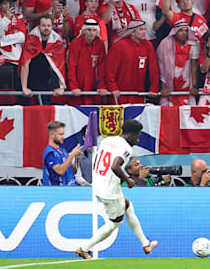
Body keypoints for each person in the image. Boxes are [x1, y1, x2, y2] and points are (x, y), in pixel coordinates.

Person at [76, 119, 157, 259]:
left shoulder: (108, 140)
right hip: (109, 190)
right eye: (138, 136)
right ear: (131, 134)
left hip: (99, 184)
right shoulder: (126, 148)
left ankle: (146, 244)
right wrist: (128, 180)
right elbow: (115, 166)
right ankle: (84, 248)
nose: (138, 140)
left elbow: (98, 161)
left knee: (127, 206)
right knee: (115, 222)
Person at [104, 20, 159, 104]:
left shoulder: (148, 45)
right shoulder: (119, 45)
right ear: (132, 32)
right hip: (120, 94)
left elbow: (153, 68)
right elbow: (109, 69)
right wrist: (113, 88)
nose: (144, 32)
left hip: (138, 94)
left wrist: (154, 87)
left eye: (145, 29)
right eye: (141, 29)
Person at [20, 15, 68, 105]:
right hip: (27, 77)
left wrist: (61, 87)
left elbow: (60, 66)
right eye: (43, 26)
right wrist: (24, 87)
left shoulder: (56, 41)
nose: (46, 28)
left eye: (49, 26)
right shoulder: (31, 39)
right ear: (38, 26)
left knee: (44, 108)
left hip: (44, 79)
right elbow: (25, 63)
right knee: (24, 109)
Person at [43, 120, 81, 186]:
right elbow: (60, 171)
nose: (63, 137)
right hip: (58, 191)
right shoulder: (50, 153)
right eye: (60, 134)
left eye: (63, 134)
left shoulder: (62, 150)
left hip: (70, 187)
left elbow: (74, 171)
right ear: (52, 134)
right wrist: (71, 155)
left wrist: (77, 159)